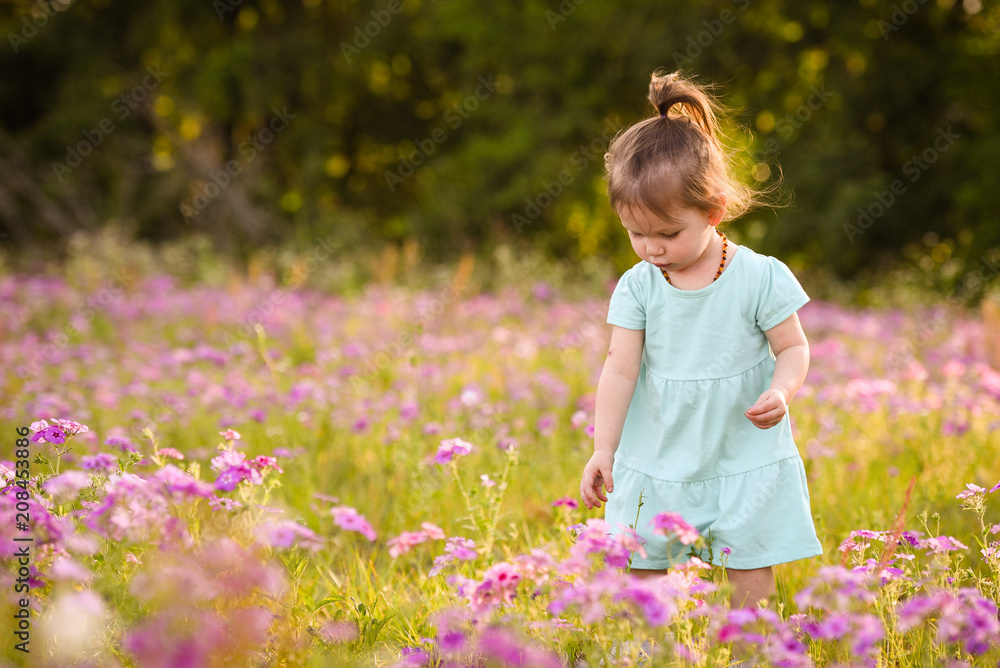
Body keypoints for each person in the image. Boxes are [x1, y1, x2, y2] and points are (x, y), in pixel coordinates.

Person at [579, 70, 823, 617]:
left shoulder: (759, 277)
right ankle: (644, 654)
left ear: (713, 211)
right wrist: (604, 448)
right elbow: (619, 370)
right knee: (639, 558)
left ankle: (751, 648)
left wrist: (783, 392)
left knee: (749, 558)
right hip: (658, 450)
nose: (651, 248)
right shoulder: (638, 285)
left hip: (740, 450)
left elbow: (793, 348)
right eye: (635, 234)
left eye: (667, 234)